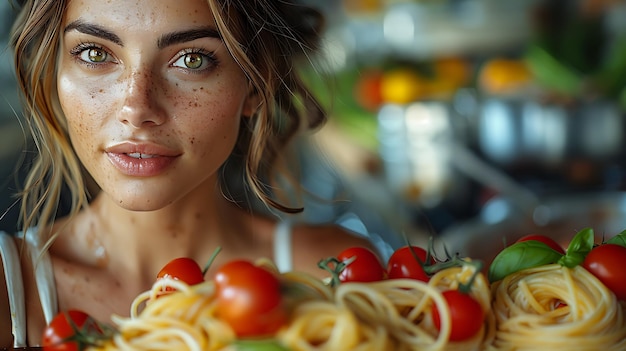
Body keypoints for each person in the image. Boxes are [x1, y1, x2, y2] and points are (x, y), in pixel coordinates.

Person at [0, 0, 395, 347]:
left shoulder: (334, 277)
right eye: (94, 53)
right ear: (54, 70)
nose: (137, 109)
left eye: (192, 59)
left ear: (256, 86)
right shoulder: (8, 291)